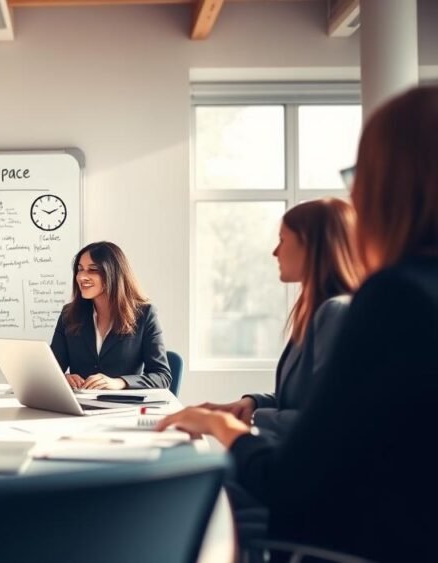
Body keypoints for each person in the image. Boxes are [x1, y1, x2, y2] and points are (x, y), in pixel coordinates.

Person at [158, 85, 438, 561]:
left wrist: (222, 428)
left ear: (390, 185)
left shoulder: (395, 298)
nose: (354, 191)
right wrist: (247, 405)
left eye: (360, 175)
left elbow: (291, 483)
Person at [199, 198, 365, 438]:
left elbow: (325, 420)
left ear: (311, 246)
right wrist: (252, 403)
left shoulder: (335, 313)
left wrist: (230, 421)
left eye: (282, 240)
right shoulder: (315, 310)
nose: (275, 252)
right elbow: (301, 399)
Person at [50, 241, 170, 390]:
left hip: (123, 407)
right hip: (79, 406)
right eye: (80, 270)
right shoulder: (69, 314)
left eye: (92, 270)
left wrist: (120, 382)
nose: (81, 277)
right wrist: (64, 378)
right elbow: (51, 370)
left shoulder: (144, 314)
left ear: (113, 273)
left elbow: (162, 376)